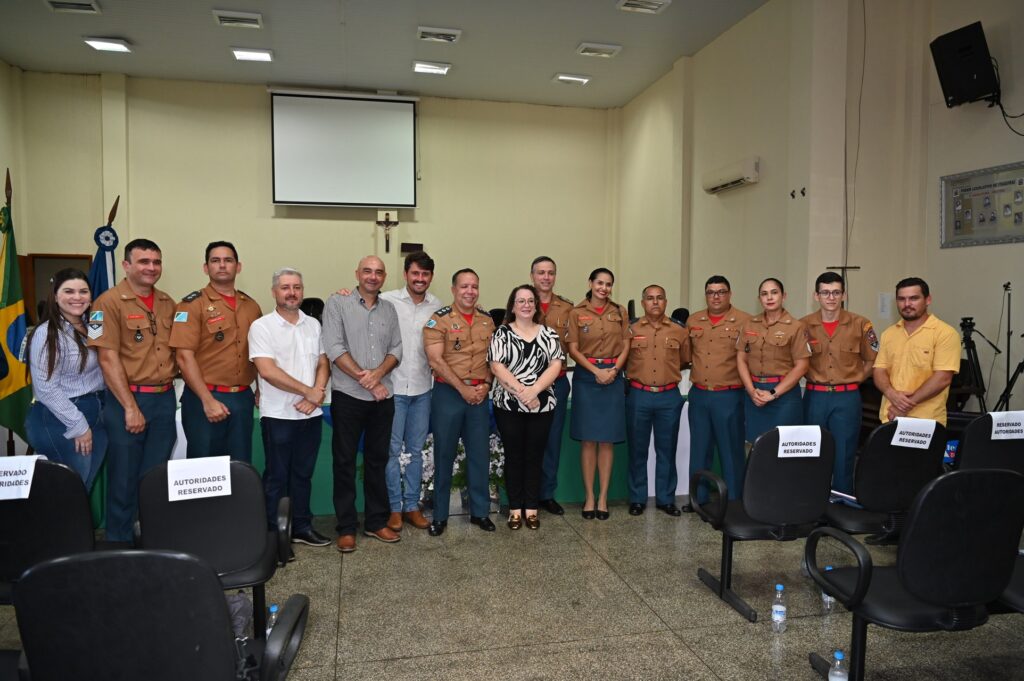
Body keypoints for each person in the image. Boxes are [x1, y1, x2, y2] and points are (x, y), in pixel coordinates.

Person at [90, 238, 178, 542]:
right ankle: (119, 542)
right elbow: (106, 357)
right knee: (124, 477)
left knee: (155, 477)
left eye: (156, 262)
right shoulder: (105, 304)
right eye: (144, 262)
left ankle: (151, 538)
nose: (151, 268)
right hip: (126, 400)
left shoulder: (168, 303)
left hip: (164, 399)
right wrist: (130, 407)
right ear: (126, 265)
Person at [322, 255, 403, 552]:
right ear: (357, 274)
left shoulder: (390, 309)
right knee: (344, 461)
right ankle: (346, 527)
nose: (372, 276)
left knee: (377, 461)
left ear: (384, 277)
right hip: (348, 396)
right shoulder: (337, 304)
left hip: (383, 398)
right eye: (367, 271)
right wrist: (365, 379)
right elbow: (333, 346)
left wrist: (378, 376)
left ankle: (376, 522)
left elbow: (397, 349)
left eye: (378, 272)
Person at [248, 268, 332, 548]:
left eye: (296, 287)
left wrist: (316, 394)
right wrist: (308, 391)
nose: (291, 292)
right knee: (277, 477)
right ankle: (275, 535)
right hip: (279, 416)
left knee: (302, 475)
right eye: (285, 287)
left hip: (311, 414)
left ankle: (301, 527)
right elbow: (268, 372)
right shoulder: (262, 327)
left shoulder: (313, 325)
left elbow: (322, 362)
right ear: (274, 292)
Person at [170, 241, 262, 461]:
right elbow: (184, 356)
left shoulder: (251, 306)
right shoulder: (191, 305)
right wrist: (207, 400)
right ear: (206, 267)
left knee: (240, 466)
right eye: (215, 261)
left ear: (238, 267)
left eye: (228, 260)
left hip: (242, 398)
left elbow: (259, 353)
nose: (222, 265)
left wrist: (260, 388)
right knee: (205, 470)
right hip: (204, 398)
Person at [422, 268, 496, 536]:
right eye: (464, 286)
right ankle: (440, 515)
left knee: (479, 455)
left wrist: (486, 385)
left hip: (479, 395)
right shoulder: (438, 320)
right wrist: (463, 389)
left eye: (474, 286)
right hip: (449, 396)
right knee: (444, 455)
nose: (470, 292)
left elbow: (494, 359)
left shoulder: (487, 321)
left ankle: (480, 512)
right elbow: (435, 361)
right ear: (454, 290)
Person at [488, 285, 564, 530]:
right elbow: (497, 366)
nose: (526, 305)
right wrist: (523, 392)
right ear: (513, 305)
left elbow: (556, 365)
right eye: (521, 301)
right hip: (508, 405)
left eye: (530, 300)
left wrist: (535, 391)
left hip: (542, 405)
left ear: (536, 305)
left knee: (535, 456)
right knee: (514, 456)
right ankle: (515, 509)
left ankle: (531, 509)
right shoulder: (501, 333)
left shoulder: (549, 334)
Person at [25, 268, 107, 490]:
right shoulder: (47, 333)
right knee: (69, 489)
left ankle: (73, 526)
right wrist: (78, 425)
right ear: (55, 295)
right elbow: (45, 388)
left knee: (83, 487)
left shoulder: (94, 327)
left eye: (83, 291)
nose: (77, 297)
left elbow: (105, 363)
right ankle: (52, 526)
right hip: (60, 418)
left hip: (96, 411)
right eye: (69, 291)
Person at [379, 251, 440, 532]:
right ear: (405, 274)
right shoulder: (387, 300)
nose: (420, 279)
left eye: (425, 274)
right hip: (392, 388)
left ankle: (412, 506)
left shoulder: (437, 307)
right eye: (415, 273)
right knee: (392, 453)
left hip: (422, 389)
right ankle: (394, 509)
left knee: (415, 452)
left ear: (431, 277)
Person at [800, 272, 878, 494]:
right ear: (816, 295)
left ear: (843, 295)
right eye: (825, 292)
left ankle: (841, 501)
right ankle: (812, 501)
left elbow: (872, 359)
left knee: (844, 453)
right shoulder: (803, 325)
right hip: (816, 395)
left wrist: (856, 380)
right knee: (813, 450)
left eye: (836, 292)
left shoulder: (860, 324)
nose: (831, 297)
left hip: (847, 397)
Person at [566, 268, 630, 520]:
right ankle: (589, 497)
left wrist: (613, 370)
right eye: (599, 283)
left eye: (608, 284)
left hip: (613, 378)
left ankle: (603, 498)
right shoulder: (577, 312)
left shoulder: (620, 311)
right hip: (587, 377)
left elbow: (626, 345)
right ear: (590, 283)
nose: (604, 288)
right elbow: (572, 348)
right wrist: (596, 370)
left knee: (607, 440)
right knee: (588, 440)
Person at [683, 276, 751, 507]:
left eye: (721, 292)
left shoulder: (745, 321)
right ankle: (697, 499)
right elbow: (687, 355)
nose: (716, 296)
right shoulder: (694, 321)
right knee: (699, 450)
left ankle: (734, 501)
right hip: (700, 394)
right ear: (706, 295)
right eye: (711, 292)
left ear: (729, 294)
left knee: (731, 451)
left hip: (729, 394)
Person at [624, 285, 687, 516]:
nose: (655, 302)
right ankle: (637, 498)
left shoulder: (679, 331)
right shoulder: (630, 329)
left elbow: (685, 358)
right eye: (650, 298)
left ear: (666, 301)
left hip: (668, 396)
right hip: (638, 395)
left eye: (659, 298)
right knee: (637, 450)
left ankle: (666, 498)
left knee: (666, 449)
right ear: (642, 303)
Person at [873, 277, 959, 426]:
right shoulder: (889, 333)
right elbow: (879, 370)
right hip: (889, 417)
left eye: (914, 298)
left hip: (926, 421)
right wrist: (892, 394)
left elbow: (943, 378)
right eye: (901, 299)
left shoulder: (945, 333)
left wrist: (904, 406)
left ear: (928, 300)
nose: (907, 304)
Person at [736, 277, 810, 444]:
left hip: (784, 397)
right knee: (756, 448)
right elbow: (741, 359)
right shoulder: (749, 324)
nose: (769, 298)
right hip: (755, 394)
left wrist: (773, 394)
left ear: (783, 296)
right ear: (759, 299)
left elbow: (802, 366)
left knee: (783, 450)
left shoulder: (796, 326)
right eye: (764, 294)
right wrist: (751, 390)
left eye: (774, 293)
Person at [530, 256, 574, 516]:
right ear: (532, 275)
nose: (546, 277)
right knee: (528, 440)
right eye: (541, 272)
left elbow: (575, 343)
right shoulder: (520, 302)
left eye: (550, 273)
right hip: (525, 387)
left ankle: (547, 493)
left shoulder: (567, 308)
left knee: (552, 441)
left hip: (556, 384)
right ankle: (528, 494)